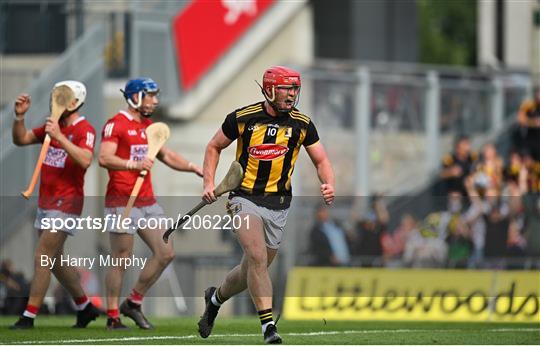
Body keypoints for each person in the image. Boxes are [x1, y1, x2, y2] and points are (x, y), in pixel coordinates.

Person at [198, 66, 334, 344]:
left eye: (295, 89)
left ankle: (214, 298)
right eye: (286, 88)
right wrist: (208, 183)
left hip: (279, 204)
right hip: (243, 198)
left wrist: (328, 183)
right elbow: (214, 146)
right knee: (257, 258)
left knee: (251, 269)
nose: (292, 94)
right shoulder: (242, 118)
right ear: (270, 89)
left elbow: (321, 160)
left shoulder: (302, 123)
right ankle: (268, 327)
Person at [98, 77, 202, 330]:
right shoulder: (116, 124)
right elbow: (104, 157)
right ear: (135, 97)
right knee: (121, 257)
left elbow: (166, 155)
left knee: (166, 252)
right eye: (150, 95)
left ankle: (132, 302)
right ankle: (112, 315)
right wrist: (133, 164)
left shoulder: (149, 126)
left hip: (148, 201)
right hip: (122, 200)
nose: (155, 101)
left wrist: (192, 167)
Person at [10, 81, 100, 329]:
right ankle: (84, 307)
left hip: (67, 202)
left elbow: (85, 160)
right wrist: (19, 117)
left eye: (62, 96)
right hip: (46, 201)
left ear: (76, 101)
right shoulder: (54, 126)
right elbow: (21, 139)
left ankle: (28, 316)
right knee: (56, 260)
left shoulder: (84, 129)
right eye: (55, 96)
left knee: (42, 256)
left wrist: (59, 137)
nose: (56, 100)